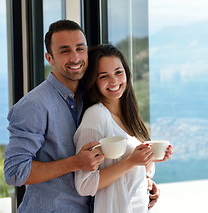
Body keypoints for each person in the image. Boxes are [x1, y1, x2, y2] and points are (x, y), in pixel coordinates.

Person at [3, 20, 159, 212]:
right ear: (49, 58)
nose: (75, 57)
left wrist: (142, 182)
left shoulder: (89, 97)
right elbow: (14, 172)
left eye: (80, 48)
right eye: (65, 51)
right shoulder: (34, 105)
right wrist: (74, 163)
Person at [73, 44, 173, 213]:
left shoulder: (129, 115)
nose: (114, 81)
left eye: (118, 72)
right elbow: (84, 185)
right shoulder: (96, 116)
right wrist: (132, 161)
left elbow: (128, 174)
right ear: (93, 81)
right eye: (104, 76)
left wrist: (148, 167)